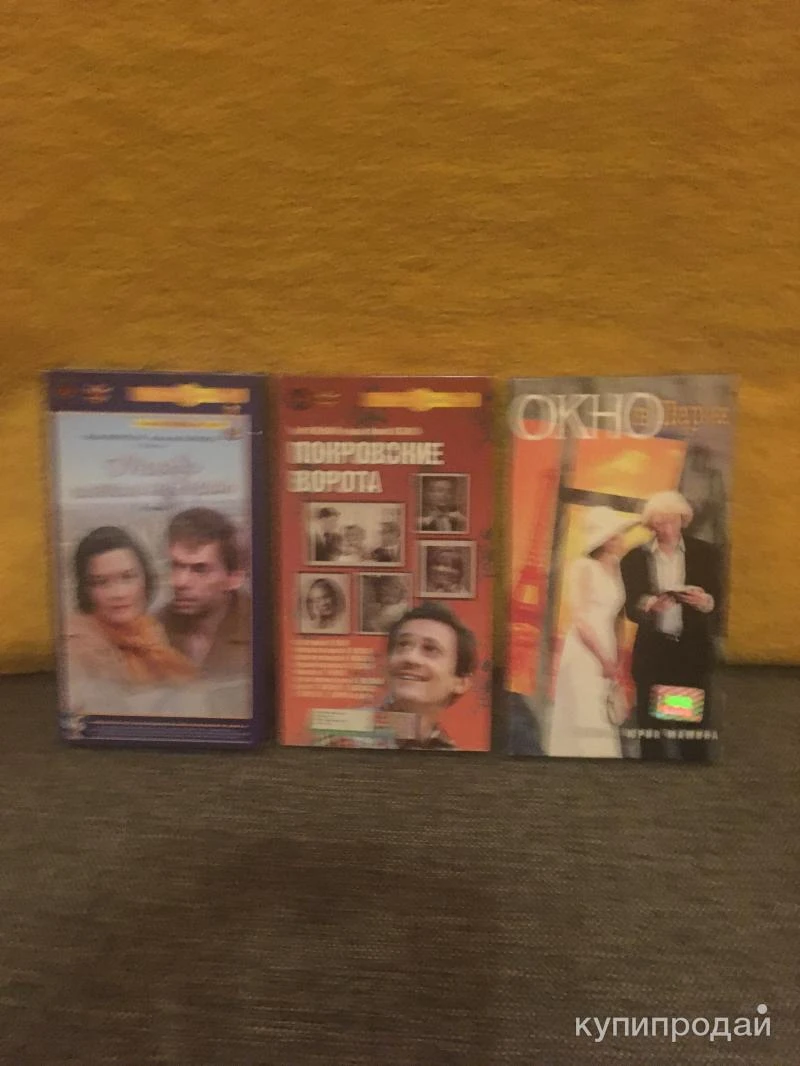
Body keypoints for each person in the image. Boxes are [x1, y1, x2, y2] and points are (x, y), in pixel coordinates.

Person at [620, 490, 721, 761]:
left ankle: (690, 771)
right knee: (652, 729)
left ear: (683, 520)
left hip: (689, 652)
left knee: (690, 727)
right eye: (659, 523)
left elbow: (718, 600)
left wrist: (704, 601)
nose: (666, 528)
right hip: (654, 653)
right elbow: (631, 607)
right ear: (651, 525)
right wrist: (649, 605)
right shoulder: (634, 558)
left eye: (671, 521)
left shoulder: (704, 554)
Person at [547, 507, 637, 758]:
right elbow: (580, 619)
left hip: (607, 643)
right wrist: (603, 658)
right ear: (605, 539)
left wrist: (616, 658)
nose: (621, 540)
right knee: (584, 708)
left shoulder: (618, 569)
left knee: (604, 708)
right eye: (616, 535)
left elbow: (618, 618)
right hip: (585, 647)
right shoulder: (583, 567)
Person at [66, 526, 196, 687]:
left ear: (145, 579)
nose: (118, 593)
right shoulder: (79, 646)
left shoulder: (152, 633)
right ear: (86, 590)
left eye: (128, 577)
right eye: (101, 582)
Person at [158, 508, 251, 677]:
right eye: (176, 566)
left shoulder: (264, 631)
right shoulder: (153, 630)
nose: (180, 582)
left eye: (200, 569)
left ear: (234, 578)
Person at [380, 602, 477, 749]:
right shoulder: (347, 735)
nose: (410, 658)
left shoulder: (456, 756)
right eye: (402, 644)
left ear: (461, 682)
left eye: (430, 649)